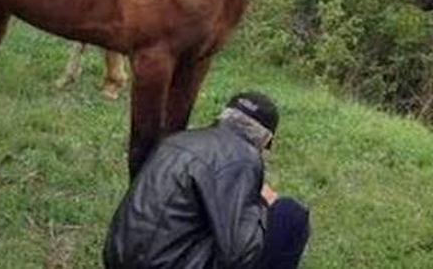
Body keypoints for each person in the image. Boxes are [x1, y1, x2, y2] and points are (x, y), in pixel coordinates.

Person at [103, 92, 310, 269]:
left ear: (223, 117)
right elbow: (239, 254)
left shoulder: (177, 140)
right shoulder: (243, 158)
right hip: (164, 264)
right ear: (265, 141)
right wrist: (262, 205)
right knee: (291, 214)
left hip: (118, 258)